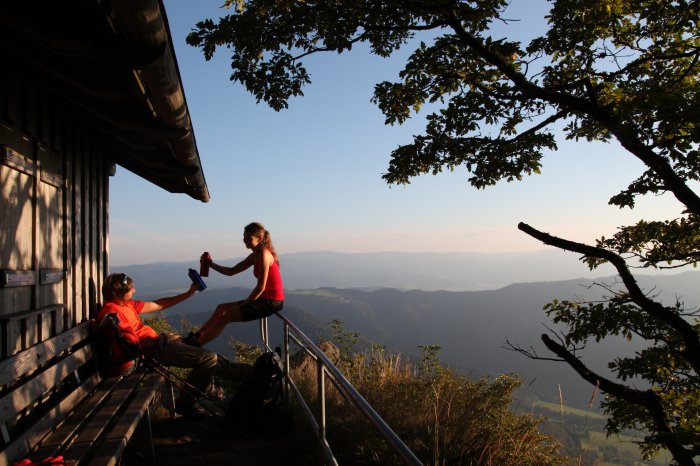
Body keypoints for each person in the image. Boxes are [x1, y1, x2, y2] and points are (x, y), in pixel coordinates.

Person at [96, 272, 252, 420]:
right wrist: (162, 340)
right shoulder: (112, 314)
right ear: (119, 293)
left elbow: (159, 304)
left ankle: (250, 374)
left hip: (159, 345)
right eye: (131, 289)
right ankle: (186, 405)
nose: (134, 291)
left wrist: (188, 293)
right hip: (153, 351)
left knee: (214, 360)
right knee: (208, 358)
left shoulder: (126, 305)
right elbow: (129, 346)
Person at [183, 222, 284, 347]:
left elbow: (260, 287)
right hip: (264, 298)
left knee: (226, 316)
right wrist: (211, 264)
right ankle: (196, 336)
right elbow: (231, 272)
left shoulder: (264, 254)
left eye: (248, 238)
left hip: (271, 301)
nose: (245, 241)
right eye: (244, 237)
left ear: (260, 238)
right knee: (221, 308)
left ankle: (196, 345)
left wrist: (244, 304)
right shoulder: (255, 255)